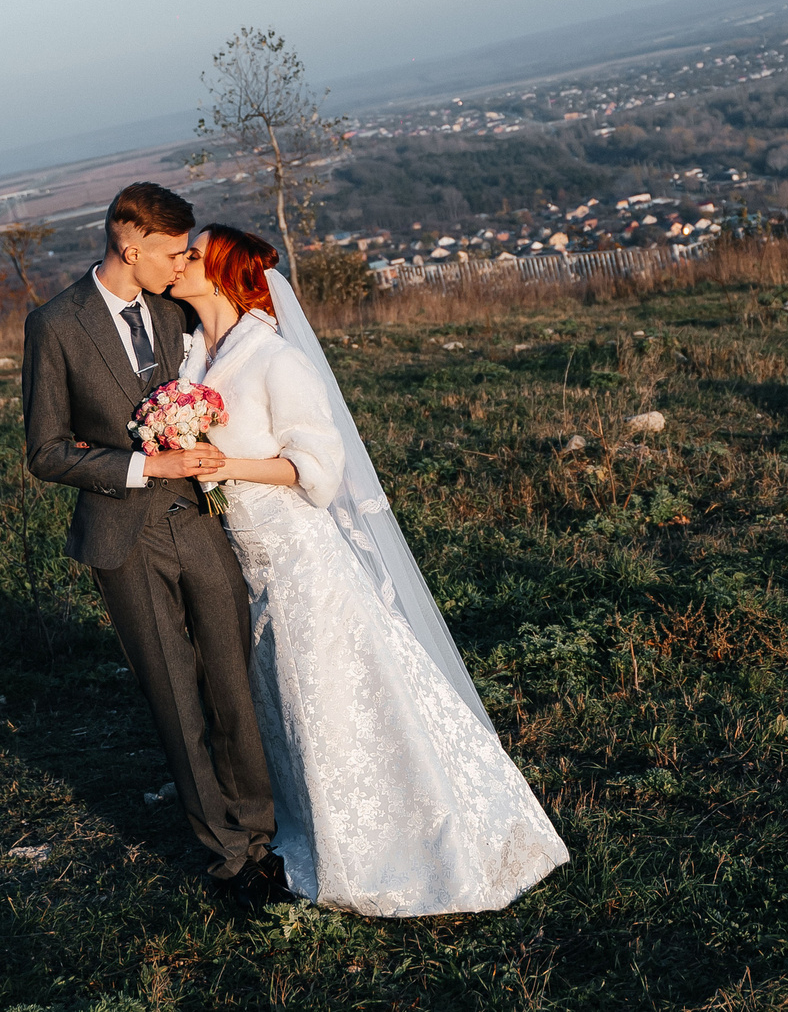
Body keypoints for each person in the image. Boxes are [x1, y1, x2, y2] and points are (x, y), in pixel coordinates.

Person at [168, 222, 569, 915]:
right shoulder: (190, 356)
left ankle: (385, 851)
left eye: (193, 254)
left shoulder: (274, 358)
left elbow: (320, 475)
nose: (179, 260)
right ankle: (315, 832)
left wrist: (226, 463)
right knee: (282, 706)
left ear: (226, 272)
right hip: (242, 563)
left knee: (327, 696)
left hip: (299, 559)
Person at [20, 183, 281, 901]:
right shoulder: (54, 324)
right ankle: (230, 856)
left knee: (232, 680)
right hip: (121, 533)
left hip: (198, 516)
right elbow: (43, 451)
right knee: (174, 695)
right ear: (129, 247)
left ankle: (263, 831)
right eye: (171, 251)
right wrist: (143, 465)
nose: (181, 262)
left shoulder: (175, 306)